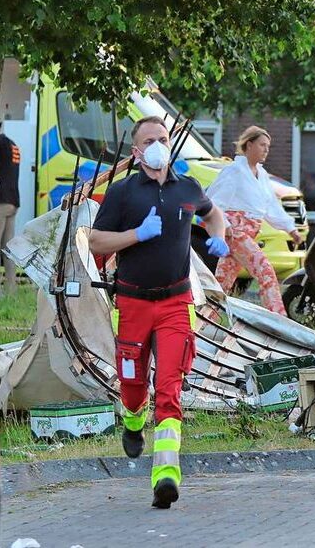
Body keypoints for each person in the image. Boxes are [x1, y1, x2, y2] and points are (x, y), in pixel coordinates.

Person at [89, 116, 229, 508]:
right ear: (136, 152)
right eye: (149, 141)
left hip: (175, 304)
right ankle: (133, 421)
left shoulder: (188, 187)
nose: (157, 146)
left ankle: (166, 475)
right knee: (133, 385)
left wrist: (218, 236)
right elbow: (96, 241)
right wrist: (136, 235)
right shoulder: (123, 192)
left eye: (162, 139)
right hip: (133, 304)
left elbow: (213, 213)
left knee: (169, 388)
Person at [206, 125, 301, 316]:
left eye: (268, 146)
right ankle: (279, 318)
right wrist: (226, 225)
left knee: (223, 281)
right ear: (249, 145)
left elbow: (271, 206)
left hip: (249, 231)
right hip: (236, 231)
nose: (266, 150)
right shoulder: (234, 171)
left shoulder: (262, 175)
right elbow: (213, 201)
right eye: (262, 145)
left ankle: (205, 320)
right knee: (265, 272)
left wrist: (290, 228)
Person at [0, 121, 20, 295]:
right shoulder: (12, 144)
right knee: (7, 248)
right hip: (13, 200)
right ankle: (11, 289)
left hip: (0, 201)